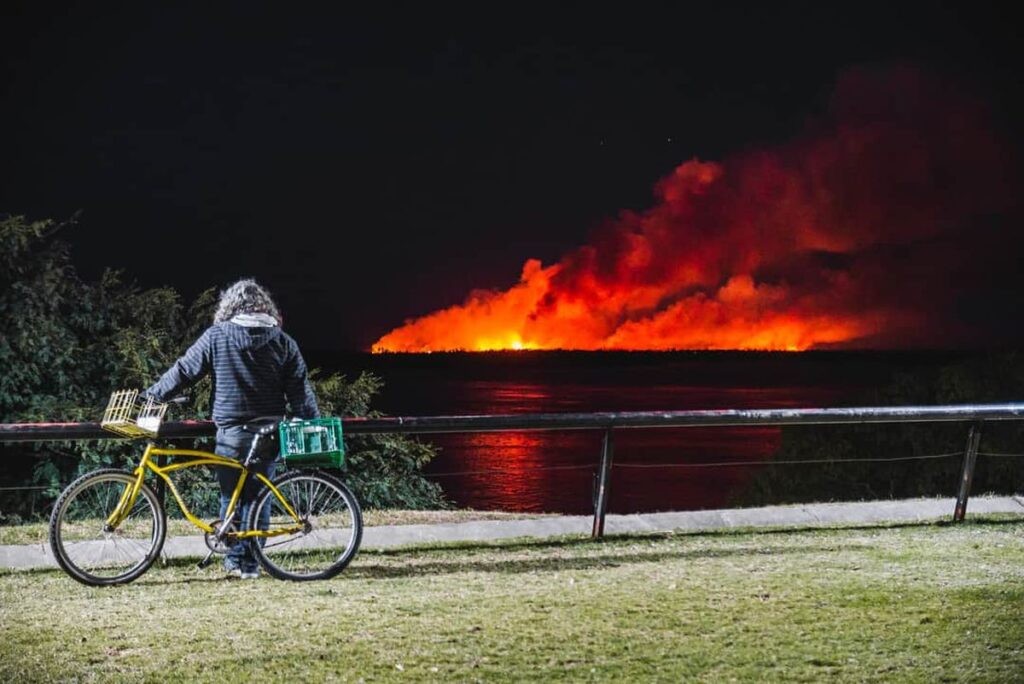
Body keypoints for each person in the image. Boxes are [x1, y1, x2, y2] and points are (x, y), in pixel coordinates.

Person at [145, 279, 319, 579]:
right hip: (270, 432)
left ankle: (235, 560)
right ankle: (250, 564)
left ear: (229, 307)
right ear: (265, 307)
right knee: (259, 497)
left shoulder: (217, 336)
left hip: (231, 432)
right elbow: (300, 390)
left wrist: (153, 395)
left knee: (231, 496)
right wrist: (311, 421)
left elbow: (185, 371)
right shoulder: (283, 342)